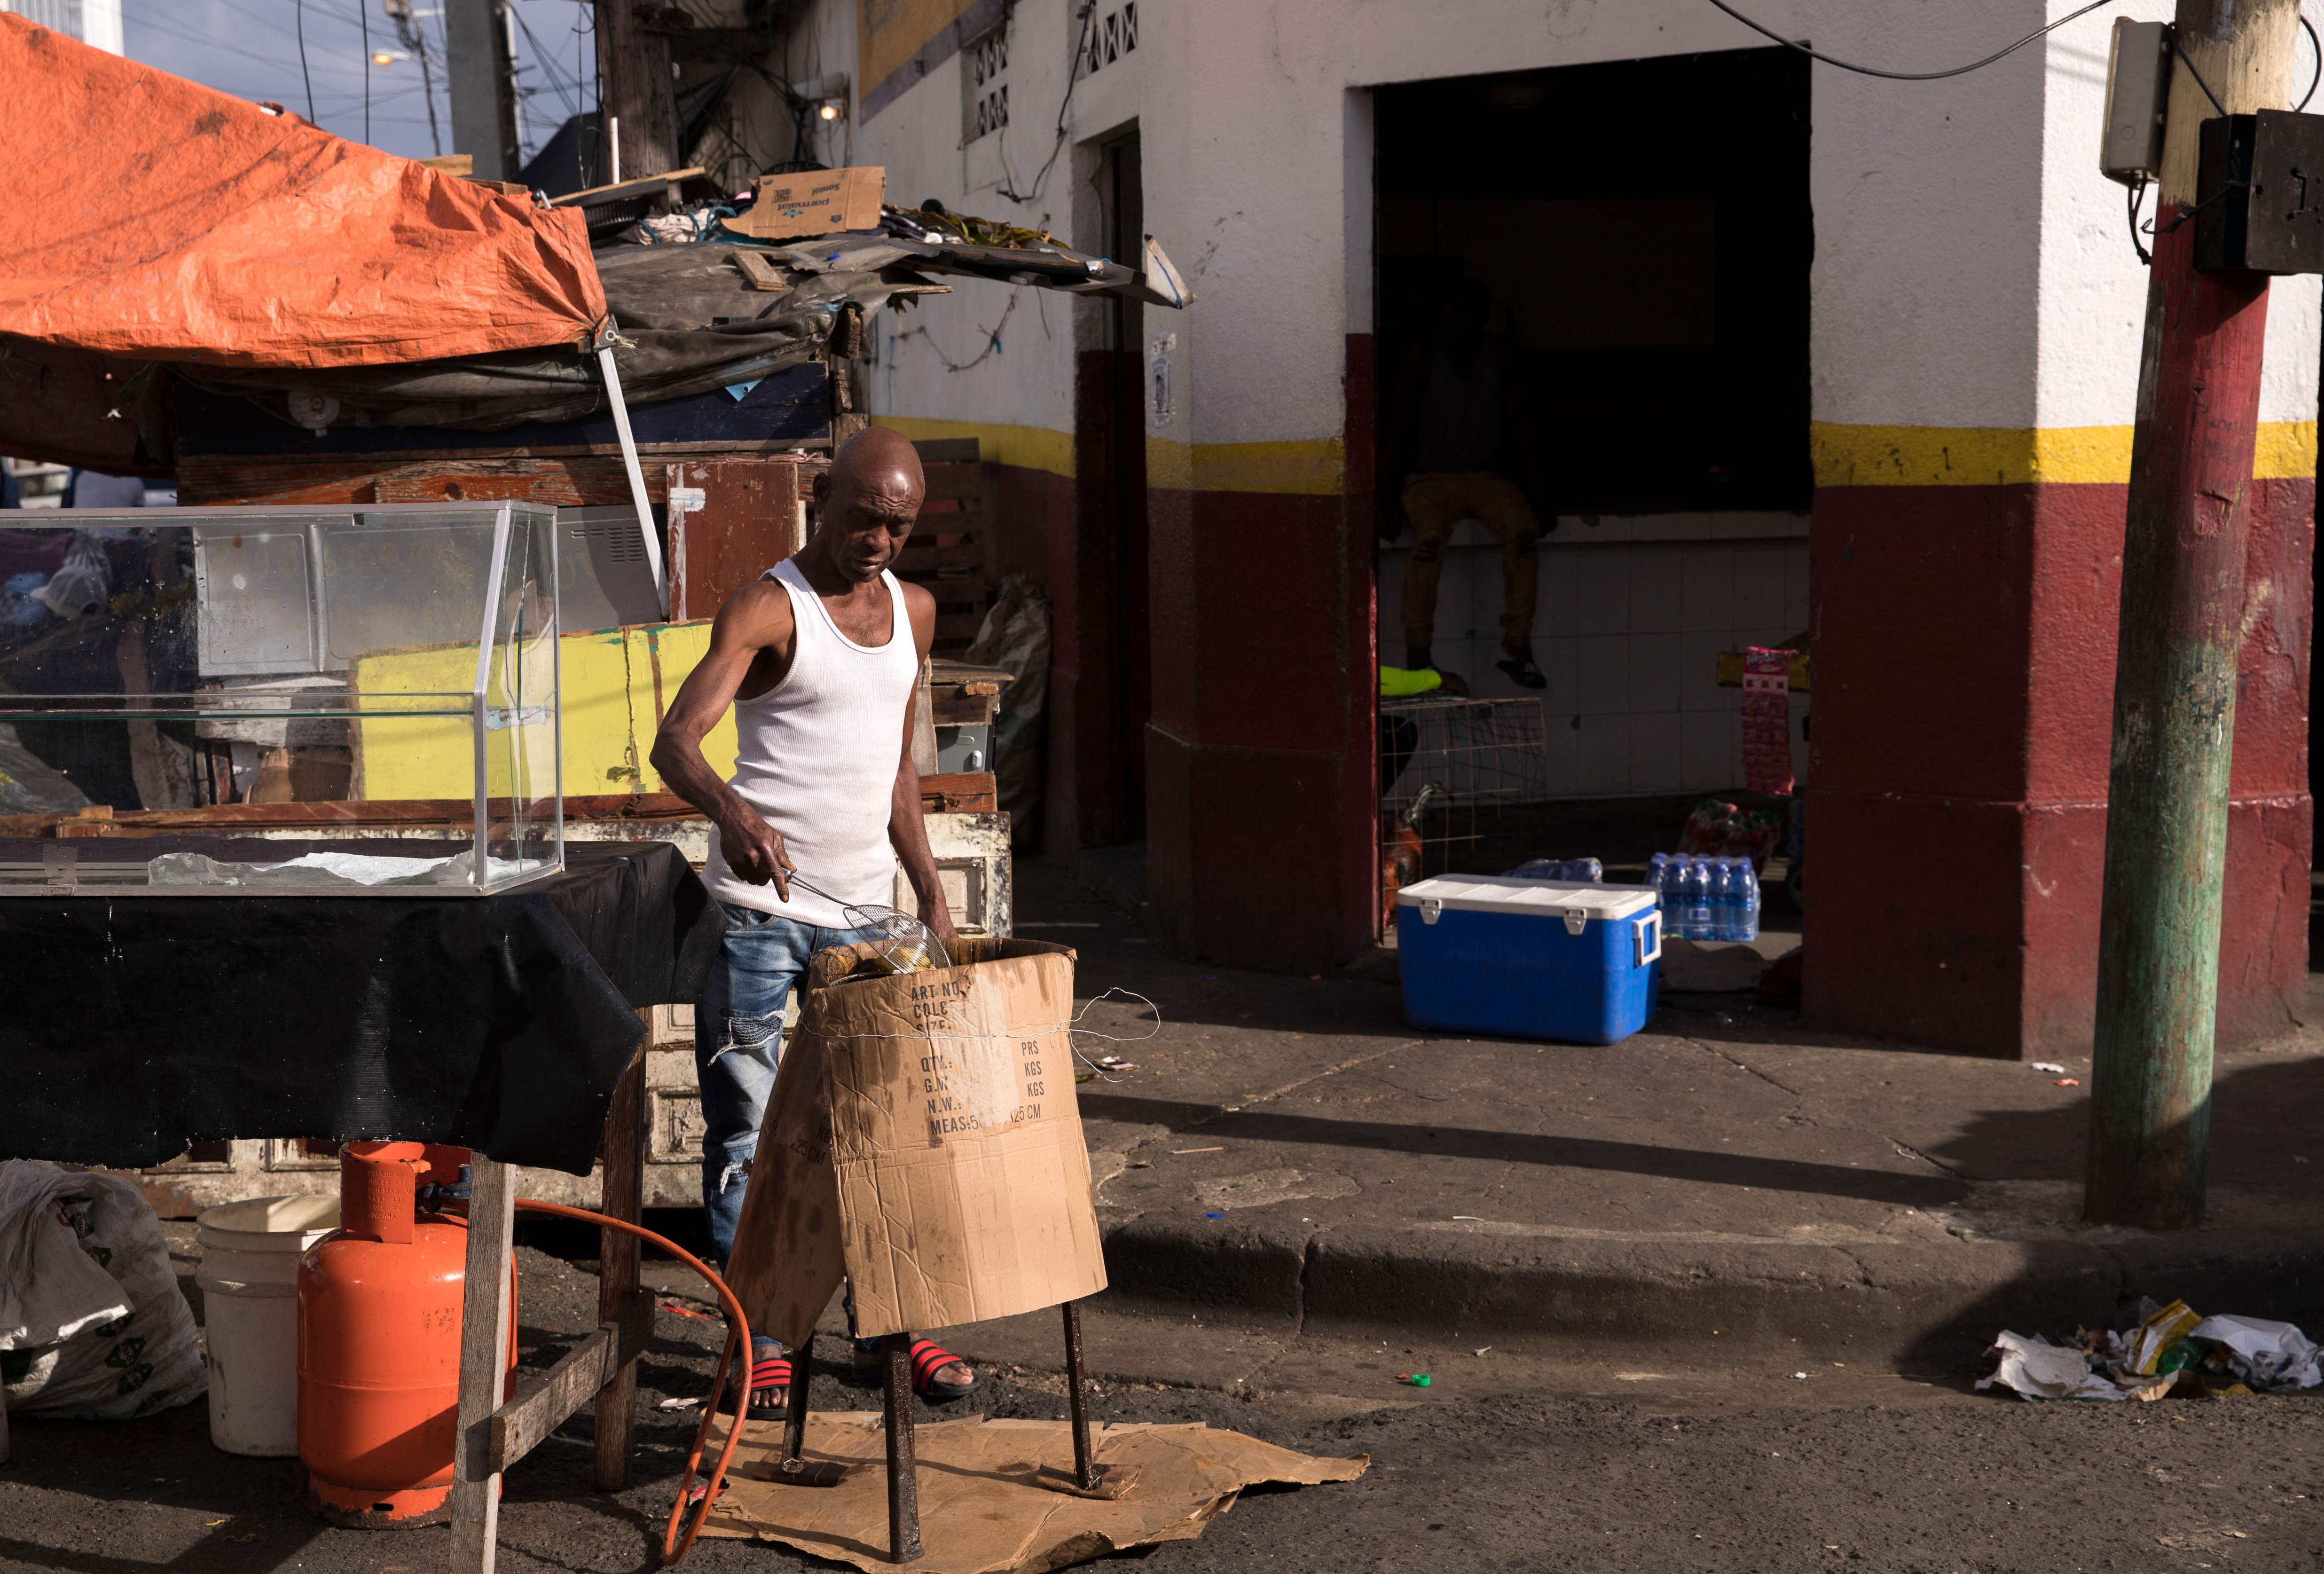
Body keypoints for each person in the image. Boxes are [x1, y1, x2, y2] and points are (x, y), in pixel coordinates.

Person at [651, 427, 980, 1418]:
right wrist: (734, 814)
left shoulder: (914, 614)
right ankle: (765, 1332)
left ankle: (893, 1324)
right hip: (757, 918)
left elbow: (896, 766)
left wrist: (927, 890)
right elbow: (674, 742)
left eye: (899, 524)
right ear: (821, 497)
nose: (879, 538)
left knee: (884, 1125)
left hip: (867, 920)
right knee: (749, 1131)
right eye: (865, 516)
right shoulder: (767, 606)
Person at [1384, 279, 1549, 690]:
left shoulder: (1498, 356)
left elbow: (1521, 424)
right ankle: (1419, 654)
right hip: (1430, 479)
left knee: (1525, 531)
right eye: (1452, 313)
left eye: (1467, 313)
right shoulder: (1424, 357)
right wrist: (1384, 499)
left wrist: (1538, 494)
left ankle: (1518, 646)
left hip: (1485, 475)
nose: (1458, 322)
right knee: (1428, 541)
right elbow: (1396, 428)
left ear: (1481, 317)